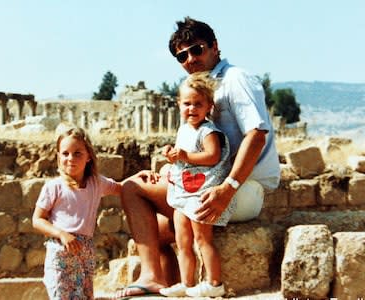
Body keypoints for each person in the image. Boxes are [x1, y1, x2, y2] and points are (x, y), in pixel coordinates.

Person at [115, 17, 280, 298]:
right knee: (157, 232)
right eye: (182, 55)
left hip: (241, 189)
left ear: (215, 47)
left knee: (130, 188)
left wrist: (229, 188)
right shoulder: (201, 88)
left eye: (196, 49)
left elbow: (256, 135)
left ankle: (152, 277)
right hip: (209, 183)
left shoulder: (235, 79)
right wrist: (170, 172)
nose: (190, 59)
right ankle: (177, 285)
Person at [158, 72, 231, 297]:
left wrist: (184, 155)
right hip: (183, 193)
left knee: (202, 238)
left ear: (209, 106)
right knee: (183, 240)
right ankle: (187, 283)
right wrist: (171, 154)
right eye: (187, 103)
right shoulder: (184, 130)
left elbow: (212, 156)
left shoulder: (208, 131)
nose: (192, 108)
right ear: (179, 104)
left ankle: (214, 283)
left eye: (198, 104)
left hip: (201, 192)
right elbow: (182, 156)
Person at [32, 127, 122, 299]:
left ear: (88, 156)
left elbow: (122, 188)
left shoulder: (96, 183)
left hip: (85, 253)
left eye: (77, 153)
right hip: (61, 251)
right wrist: (61, 234)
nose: (70, 158)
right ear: (58, 156)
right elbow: (37, 220)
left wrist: (142, 177)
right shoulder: (54, 187)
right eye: (65, 153)